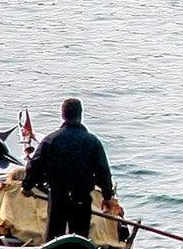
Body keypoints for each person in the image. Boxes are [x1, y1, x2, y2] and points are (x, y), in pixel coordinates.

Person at [21, 98, 117, 241]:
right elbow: (103, 172)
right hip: (82, 199)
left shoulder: (50, 140)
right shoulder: (92, 142)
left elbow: (35, 166)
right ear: (80, 115)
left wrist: (27, 186)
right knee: (80, 238)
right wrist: (107, 197)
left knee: (53, 237)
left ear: (63, 115)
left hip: (58, 199)